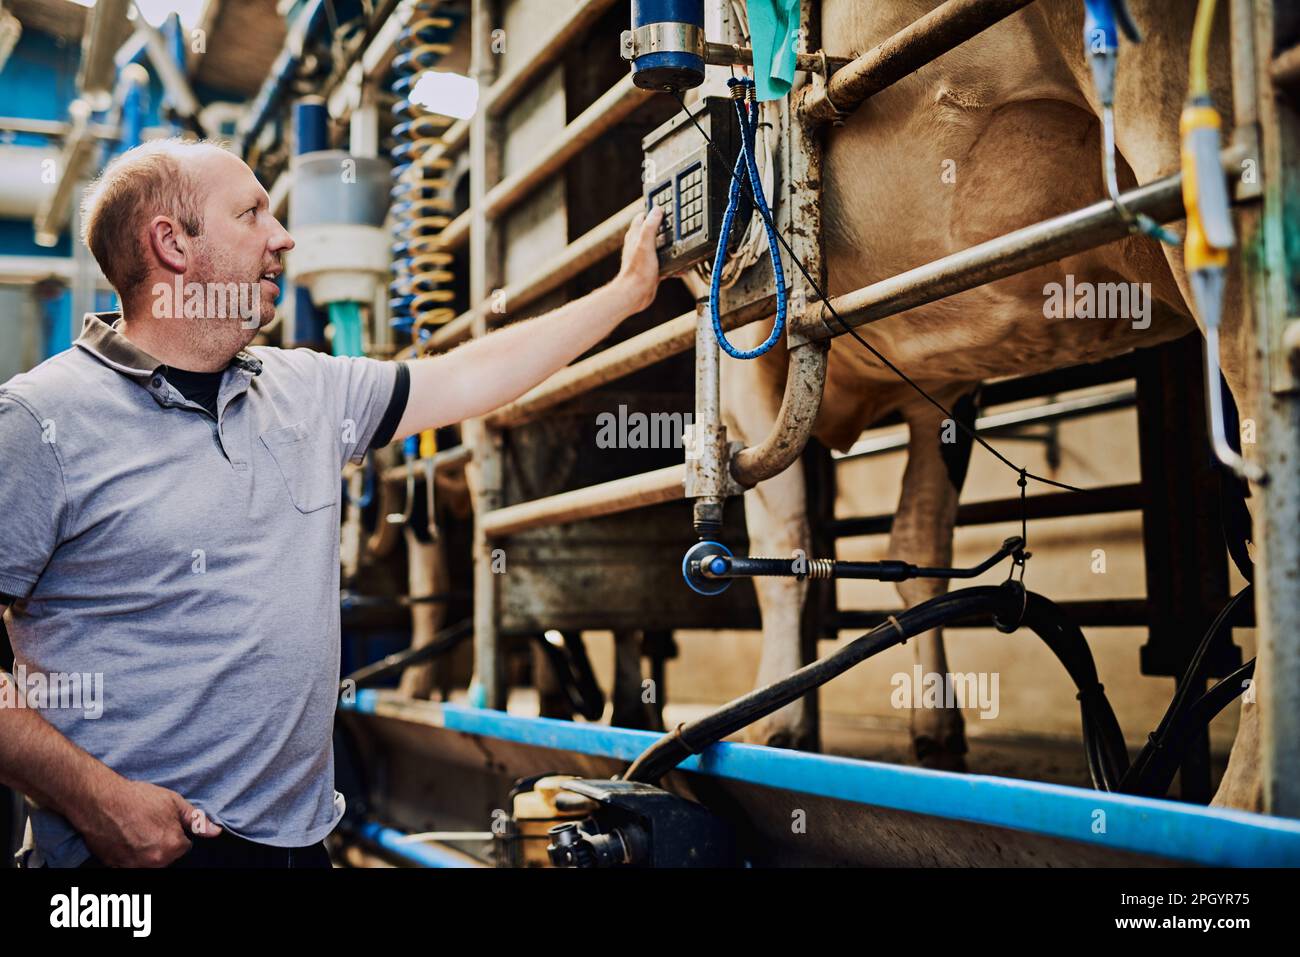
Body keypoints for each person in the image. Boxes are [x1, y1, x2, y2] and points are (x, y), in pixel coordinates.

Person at [0, 137, 663, 868]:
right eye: (252, 212)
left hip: (297, 849)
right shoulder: (42, 422)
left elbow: (469, 376)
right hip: (130, 857)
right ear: (171, 244)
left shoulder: (305, 389)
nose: (282, 237)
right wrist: (96, 799)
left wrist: (625, 294)